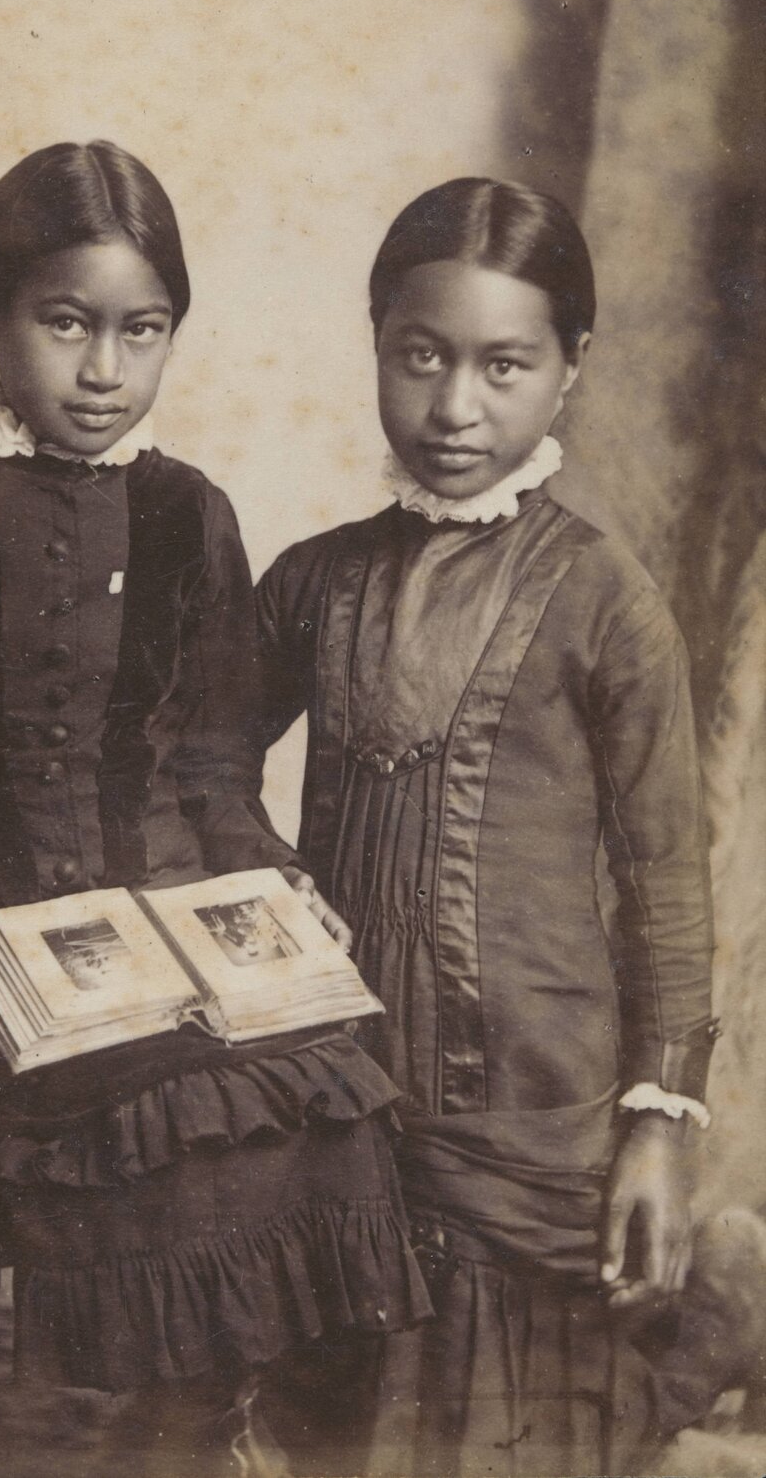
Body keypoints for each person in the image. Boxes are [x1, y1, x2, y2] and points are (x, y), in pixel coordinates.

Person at [0, 140, 430, 1474]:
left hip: (167, 930)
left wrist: (270, 878)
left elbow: (211, 768)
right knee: (174, 1115)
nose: (104, 371)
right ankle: (160, 1443)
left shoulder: (189, 513)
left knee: (335, 1093)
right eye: (67, 323)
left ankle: (246, 1450)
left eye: (141, 332)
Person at [255, 178, 760, 1476]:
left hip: (534, 1102)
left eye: (504, 364)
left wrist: (659, 1124)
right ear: (377, 338)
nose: (455, 406)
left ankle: (707, 1320)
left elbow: (666, 887)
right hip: (349, 1095)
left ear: (570, 368)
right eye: (422, 356)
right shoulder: (313, 580)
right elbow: (186, 770)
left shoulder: (607, 599)